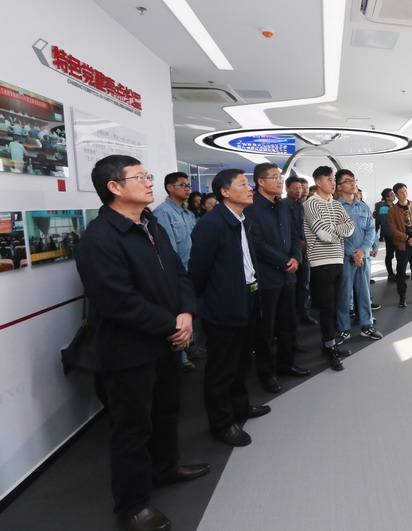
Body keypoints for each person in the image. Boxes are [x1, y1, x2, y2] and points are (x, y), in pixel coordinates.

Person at [75, 155, 208, 531]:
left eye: (148, 175)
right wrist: (172, 324)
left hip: (166, 340)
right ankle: (132, 505)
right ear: (114, 187)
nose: (150, 182)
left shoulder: (151, 225)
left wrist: (186, 312)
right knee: (132, 428)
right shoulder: (99, 239)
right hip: (128, 349)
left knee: (166, 410)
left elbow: (179, 272)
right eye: (140, 177)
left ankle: (165, 468)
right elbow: (118, 301)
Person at [189, 169, 270, 447]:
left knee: (242, 361)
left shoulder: (242, 219)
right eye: (243, 184)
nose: (250, 188)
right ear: (225, 192)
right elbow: (198, 271)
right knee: (221, 369)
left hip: (247, 298)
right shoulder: (211, 224)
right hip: (223, 305)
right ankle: (222, 424)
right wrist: (207, 305)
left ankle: (240, 406)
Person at [245, 163, 310, 394]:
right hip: (267, 278)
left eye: (280, 177)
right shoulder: (251, 208)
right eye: (274, 177)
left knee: (288, 323)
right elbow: (257, 243)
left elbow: (294, 235)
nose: (279, 181)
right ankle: (266, 373)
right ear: (260, 182)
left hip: (288, 275)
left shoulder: (282, 206)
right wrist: (284, 261)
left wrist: (296, 257)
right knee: (265, 329)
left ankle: (286, 364)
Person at [303, 166, 355, 370]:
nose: (333, 183)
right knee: (326, 308)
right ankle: (328, 347)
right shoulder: (311, 203)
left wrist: (334, 228)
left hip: (337, 260)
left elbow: (350, 228)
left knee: (335, 305)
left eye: (334, 179)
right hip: (321, 262)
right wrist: (338, 228)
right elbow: (323, 234)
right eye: (329, 179)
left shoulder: (336, 204)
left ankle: (331, 343)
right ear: (318, 182)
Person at [152, 171, 198, 372]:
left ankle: (192, 347)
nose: (187, 189)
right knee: (179, 313)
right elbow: (168, 250)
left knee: (191, 311)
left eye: (188, 185)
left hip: (193, 270)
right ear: (170, 188)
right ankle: (181, 355)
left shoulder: (188, 213)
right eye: (183, 185)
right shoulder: (162, 213)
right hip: (178, 273)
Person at [335, 170, 383, 343]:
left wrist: (363, 251)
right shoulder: (335, 207)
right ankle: (343, 329)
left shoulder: (363, 206)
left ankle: (366, 325)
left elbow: (371, 230)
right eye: (347, 181)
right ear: (339, 186)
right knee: (344, 295)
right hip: (345, 259)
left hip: (363, 259)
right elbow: (338, 235)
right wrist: (353, 254)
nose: (352, 183)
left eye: (353, 180)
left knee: (364, 293)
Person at [283, 176, 317, 326]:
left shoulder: (304, 205)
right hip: (289, 251)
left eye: (300, 188)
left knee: (304, 283)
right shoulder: (282, 205)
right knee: (290, 286)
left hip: (305, 249)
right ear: (287, 189)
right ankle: (290, 315)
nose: (299, 191)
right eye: (295, 188)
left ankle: (304, 313)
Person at [373, 188, 397, 281]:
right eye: (392, 194)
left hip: (397, 235)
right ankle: (390, 274)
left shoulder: (394, 206)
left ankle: (400, 273)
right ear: (387, 197)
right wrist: (388, 235)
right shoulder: (383, 208)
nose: (394, 195)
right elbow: (384, 224)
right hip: (390, 235)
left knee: (399, 254)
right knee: (390, 255)